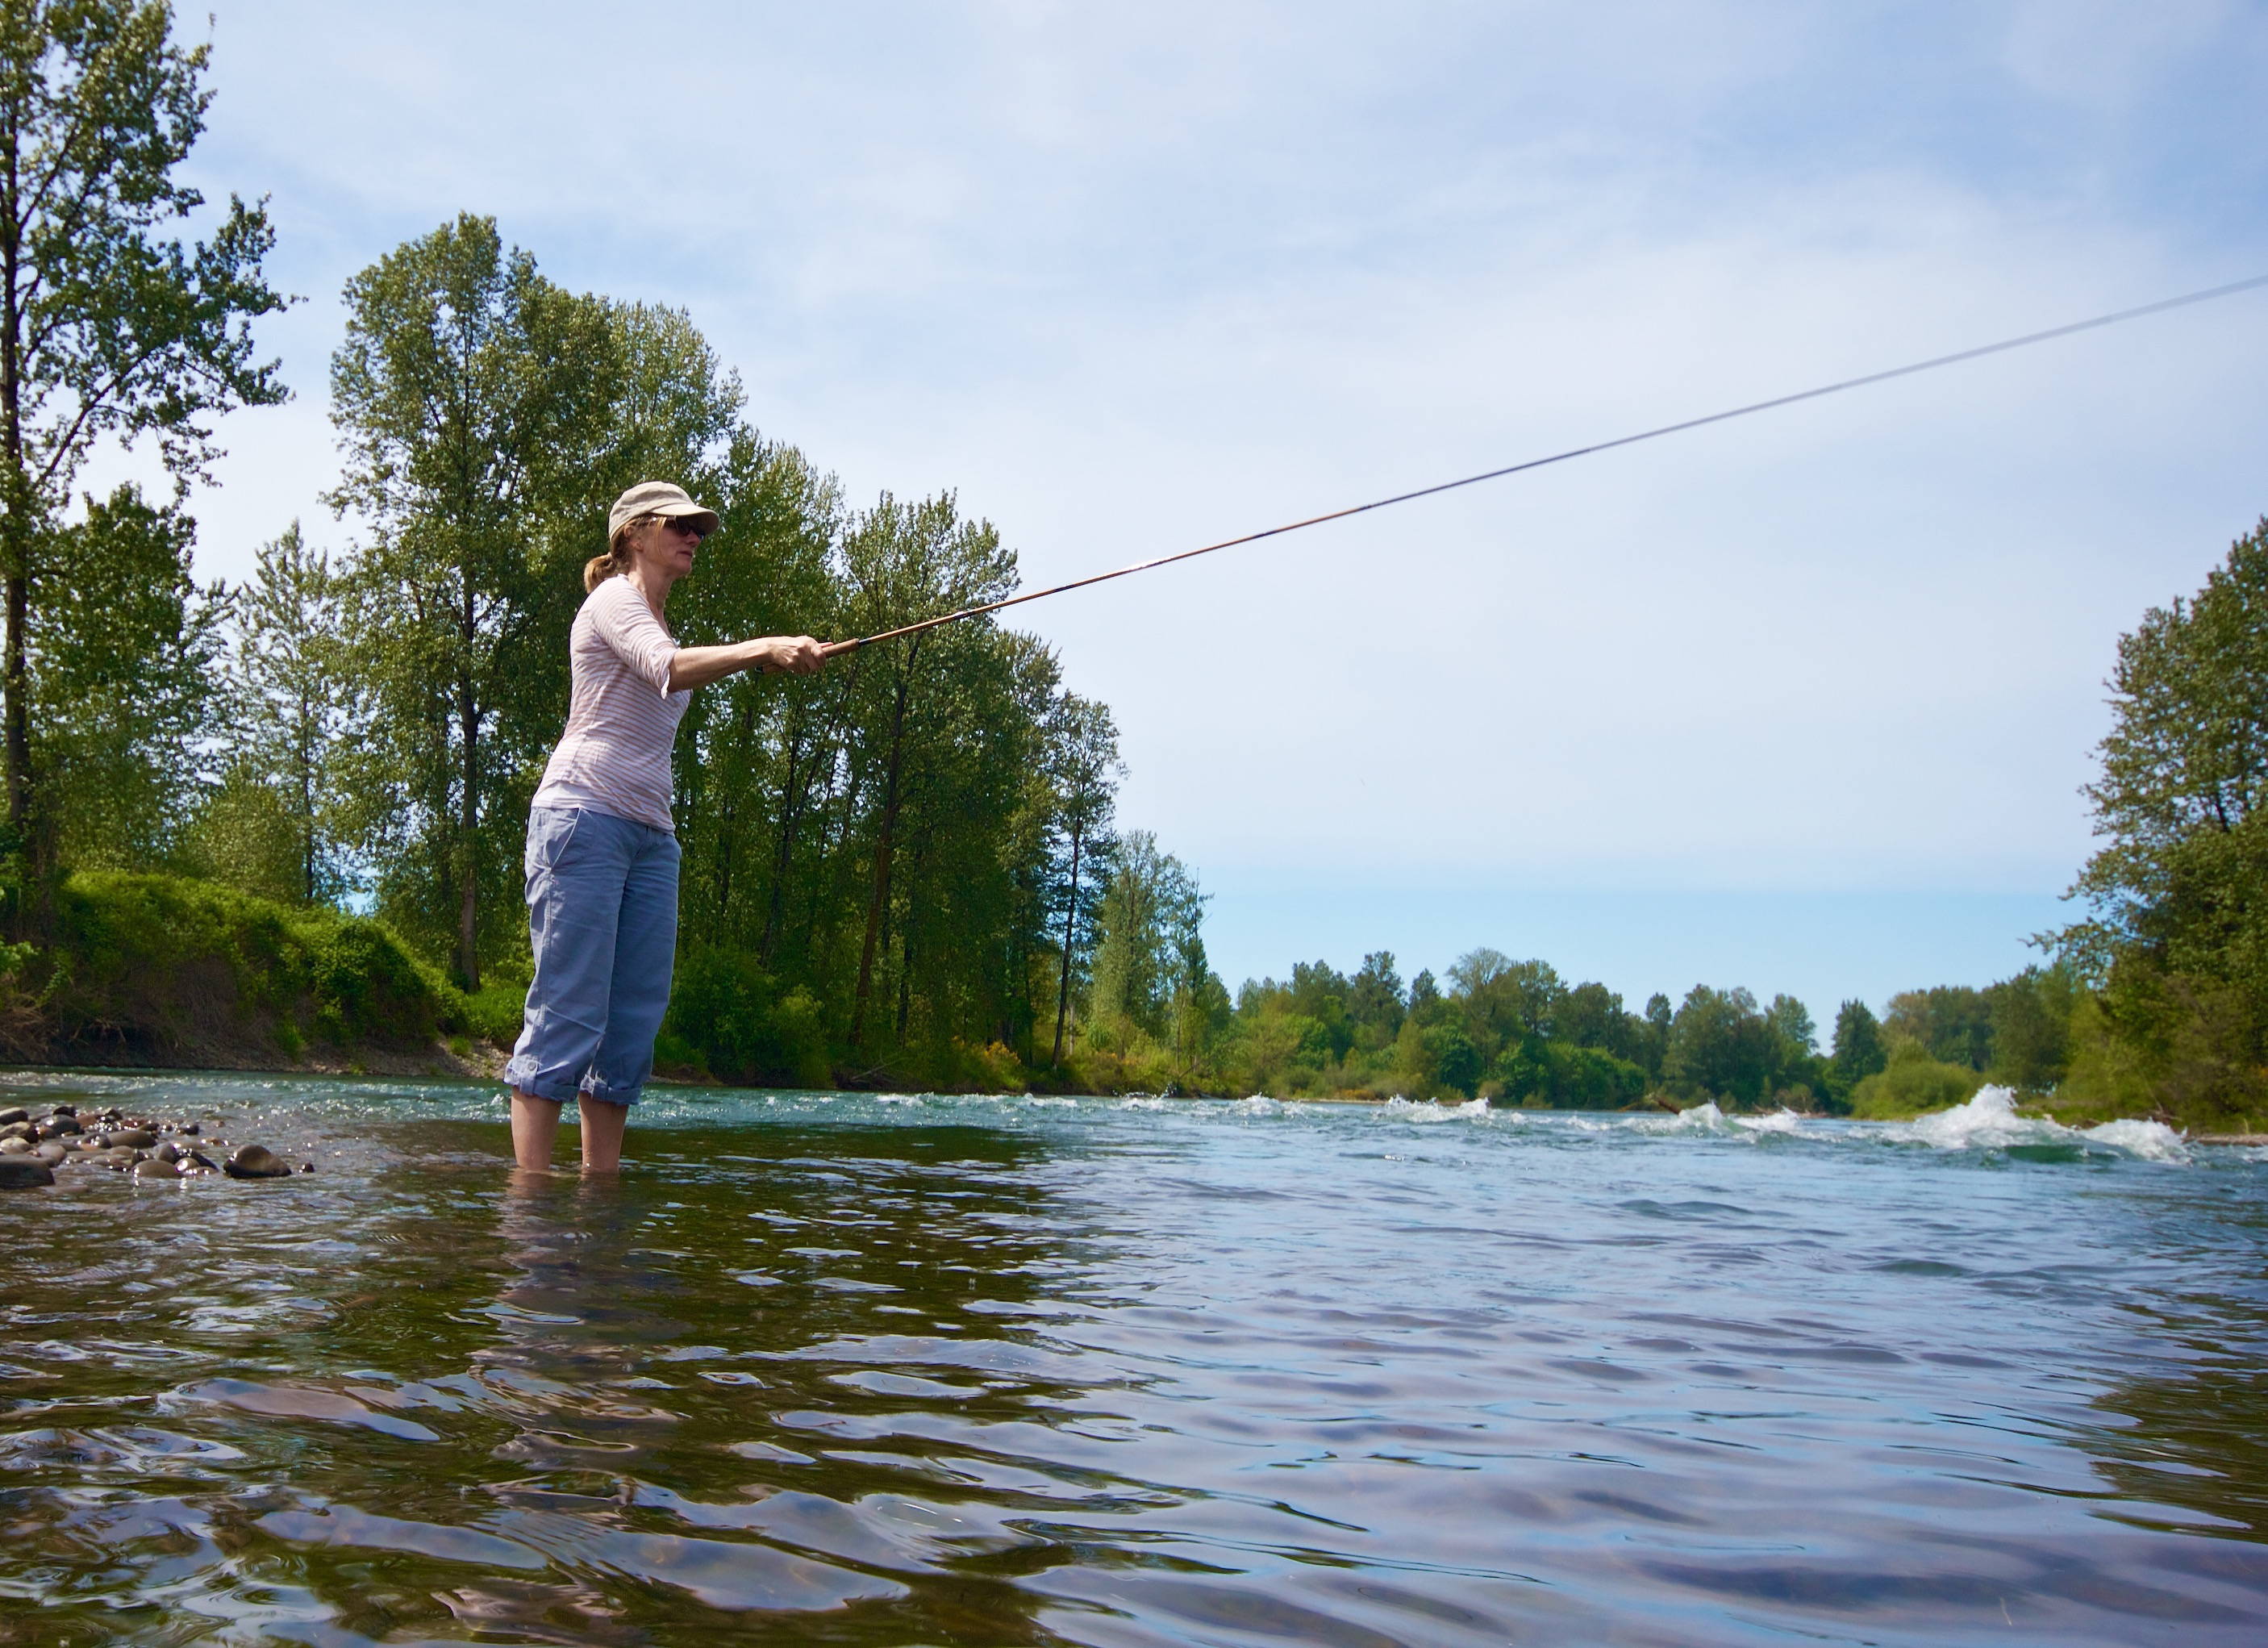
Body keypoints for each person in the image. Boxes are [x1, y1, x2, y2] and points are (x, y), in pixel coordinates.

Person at [503, 481, 826, 1173]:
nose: (695, 536)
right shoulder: (614, 600)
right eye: (681, 525)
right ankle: (528, 1202)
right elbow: (668, 669)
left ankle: (600, 1191)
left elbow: (676, 661)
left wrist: (778, 656)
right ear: (635, 534)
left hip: (653, 836)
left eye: (699, 528)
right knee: (568, 1010)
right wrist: (763, 646)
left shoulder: (657, 620)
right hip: (583, 818)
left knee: (628, 1030)